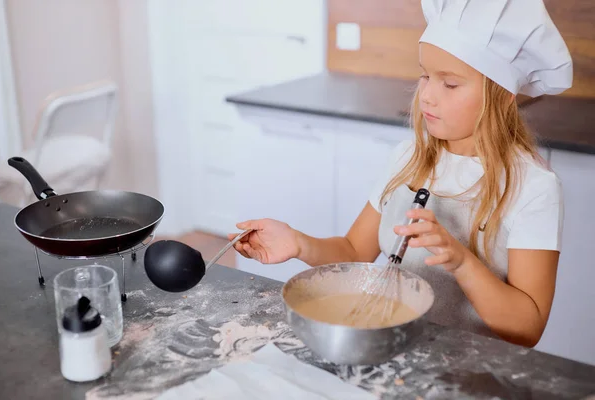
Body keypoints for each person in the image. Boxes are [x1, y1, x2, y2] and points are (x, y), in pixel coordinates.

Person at [228, 0, 573, 347]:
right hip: (397, 353)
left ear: (503, 96)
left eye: (449, 84)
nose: (427, 96)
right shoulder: (408, 158)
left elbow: (527, 329)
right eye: (425, 75)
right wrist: (298, 242)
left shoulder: (533, 187)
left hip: (471, 374)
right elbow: (352, 252)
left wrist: (462, 262)